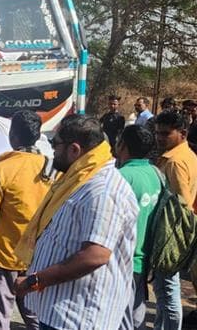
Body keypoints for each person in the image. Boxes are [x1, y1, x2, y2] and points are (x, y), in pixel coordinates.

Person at [13, 115, 138, 330]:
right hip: (61, 312)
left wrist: (35, 281)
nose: (51, 149)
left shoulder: (102, 190)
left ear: (74, 150)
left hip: (79, 317)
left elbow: (95, 255)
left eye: (55, 143)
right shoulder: (79, 178)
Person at [0, 110, 50, 330]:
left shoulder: (1, 170)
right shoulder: (51, 170)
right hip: (38, 258)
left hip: (4, 257)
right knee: (36, 317)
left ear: (13, 136)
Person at [152, 110, 197, 329]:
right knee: (165, 290)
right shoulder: (186, 155)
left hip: (171, 235)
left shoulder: (175, 162)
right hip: (175, 234)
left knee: (167, 291)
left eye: (165, 133)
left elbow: (183, 206)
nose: (160, 138)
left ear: (183, 133)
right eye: (158, 133)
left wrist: (172, 243)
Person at [115, 125, 162, 329]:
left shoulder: (121, 177)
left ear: (122, 145)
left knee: (121, 317)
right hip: (147, 256)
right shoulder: (157, 174)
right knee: (136, 314)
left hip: (123, 259)